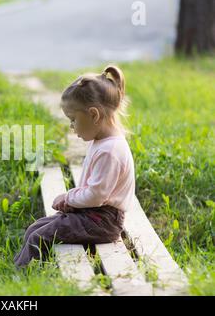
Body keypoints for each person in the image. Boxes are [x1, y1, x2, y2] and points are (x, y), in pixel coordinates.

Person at [14, 65, 135, 268]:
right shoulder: (103, 142)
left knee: (39, 236)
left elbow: (96, 196)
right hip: (95, 215)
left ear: (94, 115)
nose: (72, 127)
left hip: (102, 221)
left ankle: (21, 275)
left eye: (73, 120)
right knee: (35, 228)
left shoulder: (110, 151)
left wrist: (69, 198)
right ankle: (24, 265)